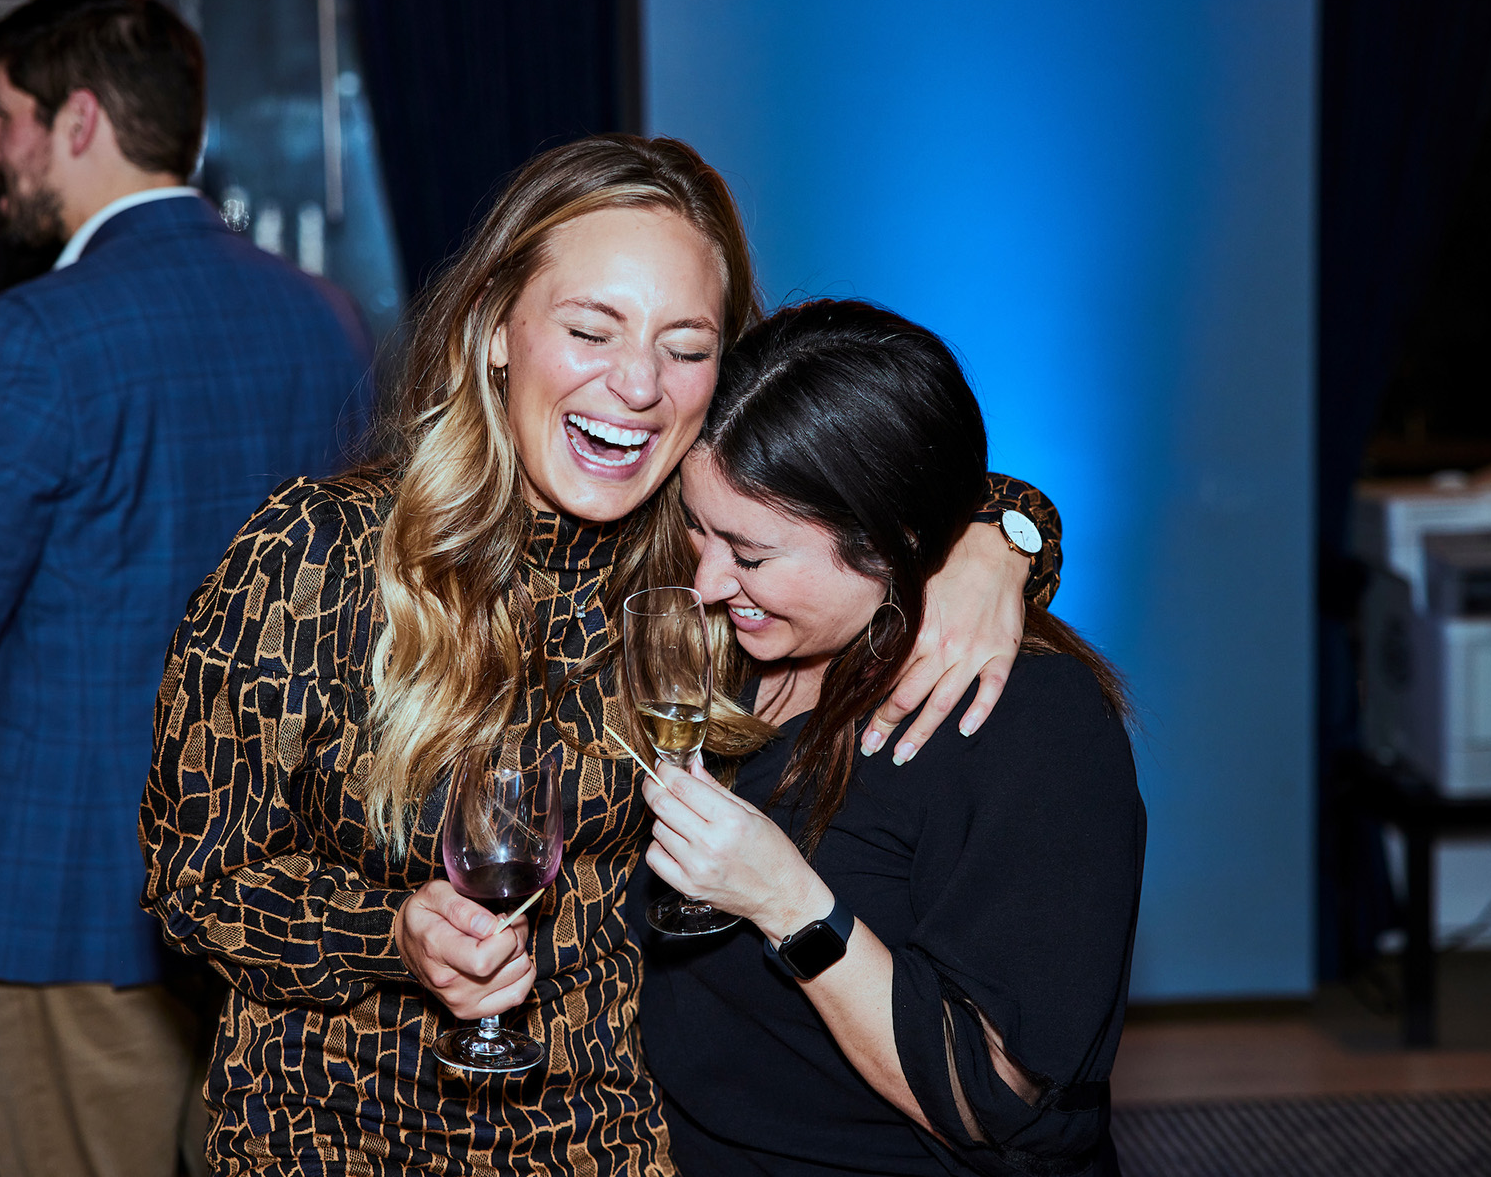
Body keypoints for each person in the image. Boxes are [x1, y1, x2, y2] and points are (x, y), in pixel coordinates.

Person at [142, 135, 1060, 1175]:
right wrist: (389, 934)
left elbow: (882, 480)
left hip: (609, 1144)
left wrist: (998, 541)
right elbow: (194, 881)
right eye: (591, 330)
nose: (636, 383)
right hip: (333, 1138)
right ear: (496, 330)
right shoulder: (316, 557)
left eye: (686, 347)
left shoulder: (705, 575)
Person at [0, 0, 374, 1176]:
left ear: (81, 120)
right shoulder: (328, 318)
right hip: (278, 885)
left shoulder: (39, 331)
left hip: (80, 881)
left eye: (6, 114)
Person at [639, 299, 1145, 1177]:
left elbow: (1003, 1100)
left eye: (751, 556)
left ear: (890, 541)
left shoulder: (1027, 722)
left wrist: (790, 904)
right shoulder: (719, 653)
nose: (709, 580)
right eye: (696, 525)